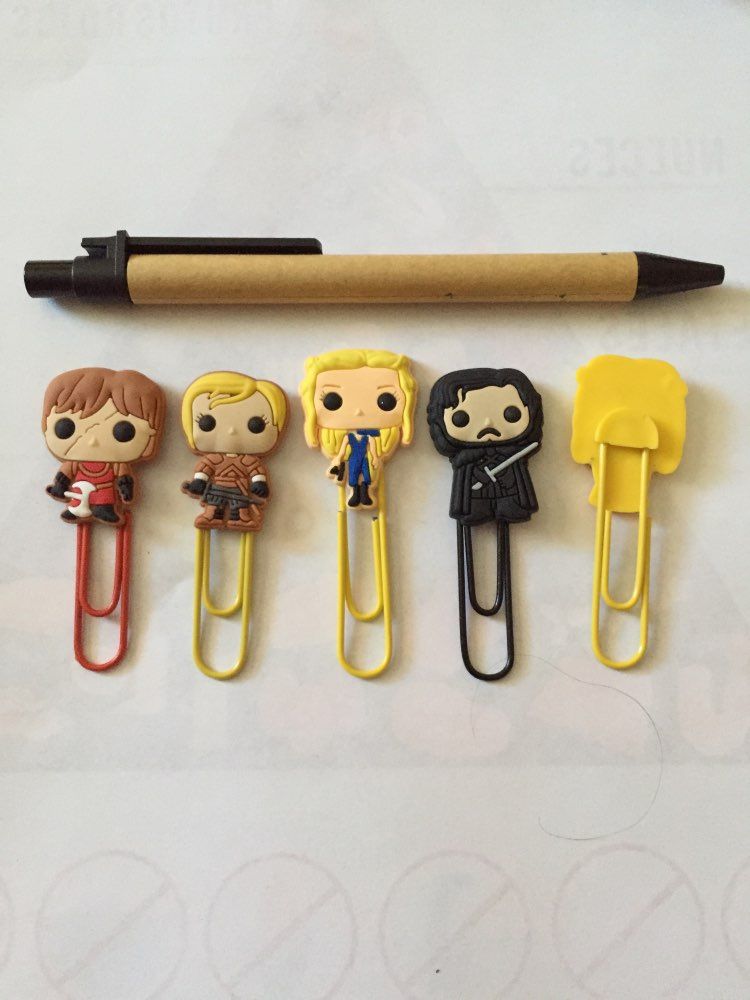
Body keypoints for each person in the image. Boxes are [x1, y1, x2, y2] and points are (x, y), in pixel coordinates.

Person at [43, 367, 165, 525]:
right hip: (79, 494)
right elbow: (64, 474)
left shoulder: (118, 464)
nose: (92, 441)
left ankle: (104, 509)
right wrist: (60, 486)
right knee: (77, 501)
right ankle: (75, 509)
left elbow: (124, 478)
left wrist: (126, 489)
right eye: (66, 428)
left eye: (124, 431)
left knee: (104, 500)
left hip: (105, 493)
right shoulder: (74, 463)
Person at [299, 348, 417, 509]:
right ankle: (356, 494)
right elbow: (343, 449)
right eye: (332, 401)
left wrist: (374, 457)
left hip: (366, 459)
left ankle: (364, 493)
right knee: (353, 475)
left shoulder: (370, 437)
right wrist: (338, 458)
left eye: (387, 400)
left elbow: (373, 448)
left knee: (367, 475)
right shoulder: (349, 438)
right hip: (354, 458)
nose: (358, 411)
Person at [427, 367, 543, 525]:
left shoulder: (513, 453)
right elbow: (462, 467)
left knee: (511, 509)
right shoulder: (465, 458)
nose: (488, 423)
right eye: (461, 418)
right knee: (475, 511)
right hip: (475, 496)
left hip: (510, 492)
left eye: (511, 414)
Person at [180, 371, 287, 531]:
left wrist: (259, 483)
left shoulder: (248, 461)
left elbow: (256, 472)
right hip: (217, 488)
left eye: (256, 425)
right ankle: (211, 517)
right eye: (207, 423)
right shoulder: (214, 459)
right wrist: (199, 481)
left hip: (240, 488)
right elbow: (204, 470)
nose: (231, 431)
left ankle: (242, 519)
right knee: (214, 504)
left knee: (240, 507)